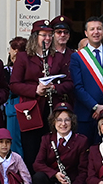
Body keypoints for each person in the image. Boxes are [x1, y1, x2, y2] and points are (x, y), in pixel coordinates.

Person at [10, 20, 71, 169]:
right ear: (35, 37)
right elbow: (14, 85)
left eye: (50, 35)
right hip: (31, 111)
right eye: (44, 35)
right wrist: (35, 90)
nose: (48, 38)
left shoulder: (58, 57)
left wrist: (55, 87)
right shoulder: (24, 57)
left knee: (52, 151)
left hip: (52, 110)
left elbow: (69, 83)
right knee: (31, 151)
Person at [32, 104, 88, 184]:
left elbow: (83, 170)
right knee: (38, 177)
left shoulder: (81, 141)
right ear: (53, 122)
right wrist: (54, 174)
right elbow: (37, 164)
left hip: (68, 183)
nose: (63, 124)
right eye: (59, 120)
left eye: (67, 120)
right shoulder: (47, 139)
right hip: (51, 180)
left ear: (72, 122)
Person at [69, 16, 103, 142]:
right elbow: (77, 87)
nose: (96, 32)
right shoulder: (77, 57)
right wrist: (95, 106)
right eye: (92, 29)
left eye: (99, 29)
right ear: (86, 33)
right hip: (84, 114)